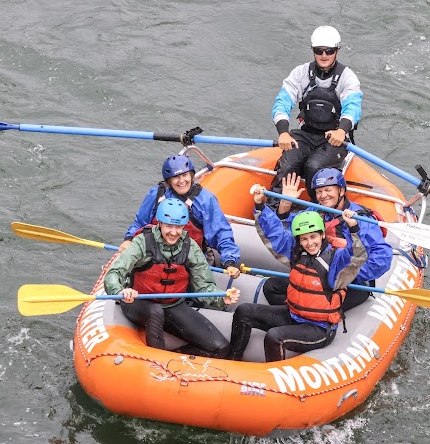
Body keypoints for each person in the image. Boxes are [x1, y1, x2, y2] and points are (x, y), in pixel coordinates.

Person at [227, 190, 366, 362]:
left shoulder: (336, 260)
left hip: (319, 328)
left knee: (274, 336)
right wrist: (260, 205)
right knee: (244, 311)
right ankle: (233, 360)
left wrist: (354, 227)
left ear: (323, 234)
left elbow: (357, 256)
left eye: (314, 237)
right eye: (304, 239)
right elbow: (275, 233)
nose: (310, 243)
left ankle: (273, 382)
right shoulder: (298, 254)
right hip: (293, 315)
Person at [104, 198, 241, 357]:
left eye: (178, 227)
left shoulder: (191, 248)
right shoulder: (143, 242)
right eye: (169, 226)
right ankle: (156, 361)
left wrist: (220, 299)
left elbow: (204, 286)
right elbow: (115, 272)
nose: (174, 232)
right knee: (155, 312)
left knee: (221, 347)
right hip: (138, 302)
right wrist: (120, 290)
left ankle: (176, 358)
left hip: (172, 305)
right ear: (160, 223)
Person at [262, 168, 393, 311]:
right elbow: (291, 231)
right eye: (319, 191)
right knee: (271, 287)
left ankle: (307, 319)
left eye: (328, 190)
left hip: (350, 283)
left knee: (312, 302)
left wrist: (341, 275)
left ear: (341, 191)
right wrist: (285, 206)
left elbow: (382, 258)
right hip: (318, 274)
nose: (323, 196)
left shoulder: (361, 219)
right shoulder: (316, 211)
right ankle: (294, 317)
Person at [268, 25, 363, 203]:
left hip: (334, 138)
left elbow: (353, 107)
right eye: (319, 51)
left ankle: (317, 211)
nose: (324, 56)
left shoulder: (347, 77)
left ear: (337, 51)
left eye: (329, 51)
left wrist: (342, 130)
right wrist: (283, 132)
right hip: (306, 133)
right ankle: (275, 209)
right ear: (313, 51)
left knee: (314, 166)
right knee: (288, 163)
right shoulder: (301, 73)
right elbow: (282, 102)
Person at [120, 153, 241, 278]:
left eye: (185, 175)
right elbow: (140, 223)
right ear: (169, 180)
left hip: (191, 262)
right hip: (154, 260)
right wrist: (129, 239)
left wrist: (229, 261)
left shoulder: (205, 199)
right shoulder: (156, 194)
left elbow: (221, 233)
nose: (182, 181)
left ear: (191, 175)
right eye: (176, 177)